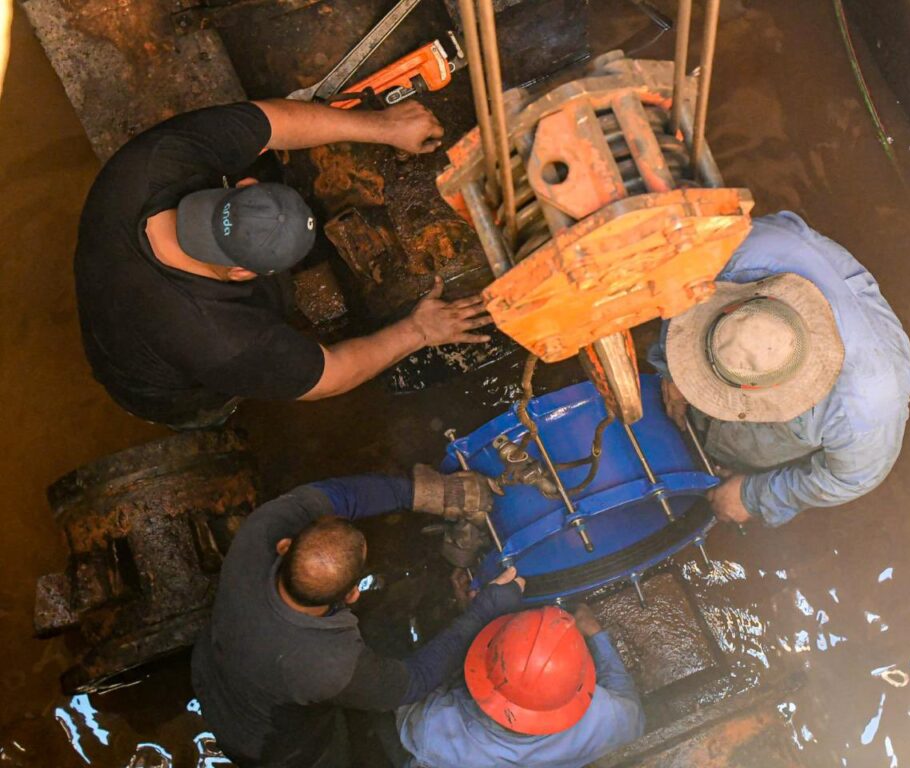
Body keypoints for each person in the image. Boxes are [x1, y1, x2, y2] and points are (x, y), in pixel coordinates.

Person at [75, 99, 491, 429]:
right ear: (242, 273)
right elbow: (330, 376)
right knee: (210, 408)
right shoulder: (222, 341)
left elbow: (271, 122)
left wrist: (385, 126)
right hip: (158, 389)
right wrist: (420, 329)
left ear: (245, 186)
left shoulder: (150, 164)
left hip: (110, 298)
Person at [190, 465, 523, 768]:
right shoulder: (328, 665)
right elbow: (412, 681)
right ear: (352, 594)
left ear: (286, 547)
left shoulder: (258, 533)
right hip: (268, 743)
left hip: (212, 668)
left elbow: (340, 495)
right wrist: (487, 608)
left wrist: (427, 493)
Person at [650, 211, 910, 528]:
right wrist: (675, 368)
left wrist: (754, 495)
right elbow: (682, 290)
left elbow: (854, 478)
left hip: (847, 400)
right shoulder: (739, 253)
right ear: (736, 305)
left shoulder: (864, 408)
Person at [397, 603, 645, 768]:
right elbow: (627, 699)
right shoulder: (611, 719)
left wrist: (468, 624)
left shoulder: (434, 730)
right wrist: (596, 634)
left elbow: (407, 695)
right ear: (577, 682)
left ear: (481, 672)